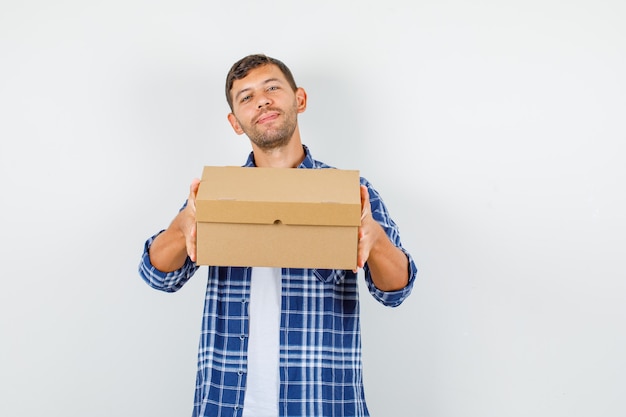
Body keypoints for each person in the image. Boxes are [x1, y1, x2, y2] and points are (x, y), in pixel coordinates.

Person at [139, 54, 417, 417]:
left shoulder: (351, 192)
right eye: (246, 97)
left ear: (299, 99)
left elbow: (396, 291)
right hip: (227, 404)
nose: (262, 101)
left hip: (322, 404)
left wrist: (375, 240)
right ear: (235, 122)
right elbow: (159, 277)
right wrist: (181, 226)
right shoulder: (216, 193)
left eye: (272, 88)